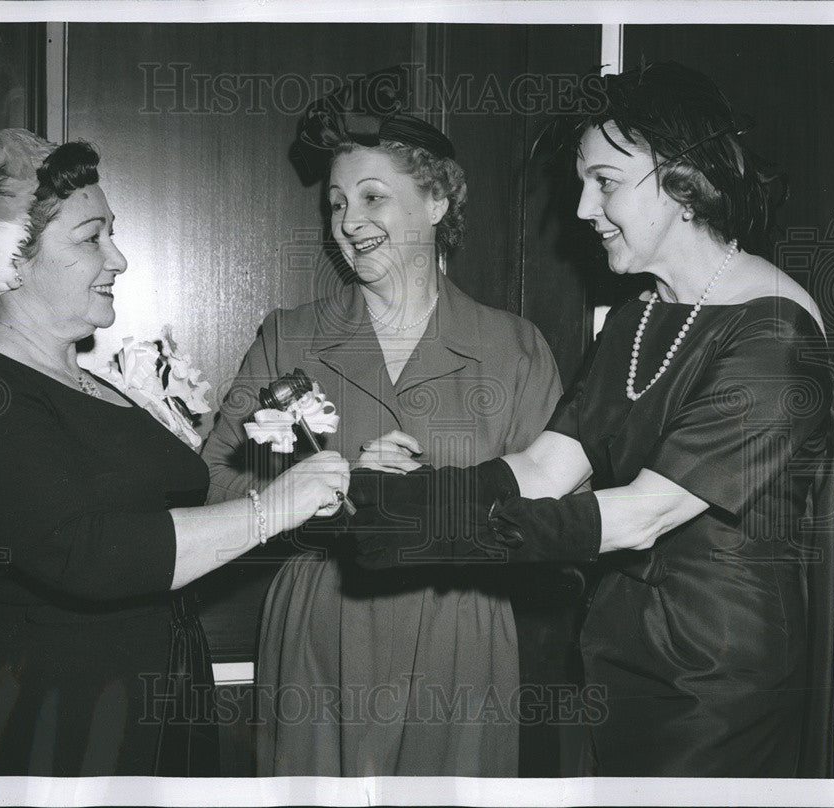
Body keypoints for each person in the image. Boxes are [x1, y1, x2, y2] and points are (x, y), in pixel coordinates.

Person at [342, 62, 834, 777]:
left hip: (718, 677)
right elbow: (546, 467)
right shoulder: (638, 317)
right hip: (617, 651)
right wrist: (420, 496)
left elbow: (642, 516)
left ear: (683, 178)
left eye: (603, 181)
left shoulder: (775, 331)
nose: (581, 209)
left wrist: (441, 527)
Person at [0, 129, 349, 777]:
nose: (119, 259)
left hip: (145, 710)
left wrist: (254, 451)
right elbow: (87, 555)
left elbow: (155, 505)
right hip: (46, 726)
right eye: (91, 237)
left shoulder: (87, 381)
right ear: (8, 261)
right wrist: (273, 507)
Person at [199, 72, 562, 776]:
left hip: (463, 632)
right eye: (336, 203)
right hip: (318, 626)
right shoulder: (291, 336)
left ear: (437, 199)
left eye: (372, 198)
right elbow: (213, 480)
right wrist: (321, 492)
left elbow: (557, 522)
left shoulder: (515, 346)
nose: (347, 223)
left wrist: (439, 501)